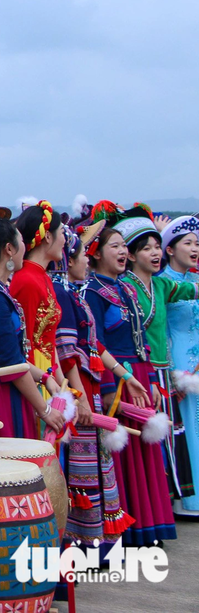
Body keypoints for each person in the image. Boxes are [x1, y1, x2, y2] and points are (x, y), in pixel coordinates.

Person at [85, 223, 176, 546]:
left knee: (146, 453)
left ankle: (151, 526)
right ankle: (130, 529)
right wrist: (111, 389)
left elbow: (143, 340)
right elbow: (95, 343)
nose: (123, 252)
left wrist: (151, 378)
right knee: (124, 455)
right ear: (95, 254)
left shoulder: (125, 289)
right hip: (117, 377)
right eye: (115, 246)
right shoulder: (92, 292)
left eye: (125, 246)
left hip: (138, 373)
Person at [51, 221, 134, 546]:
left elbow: (93, 344)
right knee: (80, 467)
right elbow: (66, 352)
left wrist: (124, 376)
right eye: (83, 254)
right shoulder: (61, 292)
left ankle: (94, 540)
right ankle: (84, 541)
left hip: (88, 384)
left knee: (93, 462)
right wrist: (80, 396)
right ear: (68, 260)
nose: (87, 260)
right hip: (78, 385)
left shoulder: (71, 291)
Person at [0, 205, 65, 439]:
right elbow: (10, 363)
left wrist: (44, 377)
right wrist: (44, 409)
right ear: (9, 249)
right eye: (21, 243)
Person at [116, 211, 199, 504]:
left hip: (163, 371)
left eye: (156, 246)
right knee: (149, 438)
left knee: (171, 434)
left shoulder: (162, 285)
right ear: (133, 255)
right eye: (147, 248)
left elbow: (191, 289)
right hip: (140, 372)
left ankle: (172, 499)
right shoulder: (124, 288)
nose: (154, 252)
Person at [9, 200, 66, 406]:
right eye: (62, 234)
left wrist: (62, 384)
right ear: (48, 236)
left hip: (48, 372)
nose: (64, 240)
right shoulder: (26, 280)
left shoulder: (42, 277)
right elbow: (25, 342)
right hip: (35, 375)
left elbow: (49, 339)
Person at [161, 214, 199, 516]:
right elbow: (160, 330)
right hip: (179, 364)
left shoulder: (195, 281)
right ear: (170, 249)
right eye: (187, 242)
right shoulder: (164, 284)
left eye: (197, 242)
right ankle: (189, 499)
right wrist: (172, 373)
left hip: (198, 358)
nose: (195, 247)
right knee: (188, 428)